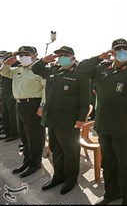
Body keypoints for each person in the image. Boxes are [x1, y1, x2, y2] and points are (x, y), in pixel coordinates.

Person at [76, 38, 127, 205]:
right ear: (112, 52)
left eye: (125, 49)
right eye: (119, 49)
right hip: (103, 125)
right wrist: (99, 57)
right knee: (108, 163)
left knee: (126, 165)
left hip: (124, 128)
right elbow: (80, 70)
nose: (123, 52)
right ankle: (111, 194)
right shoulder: (101, 68)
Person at [32, 46, 91, 195]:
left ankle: (71, 180)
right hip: (52, 119)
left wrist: (81, 119)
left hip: (69, 121)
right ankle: (58, 176)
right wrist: (44, 60)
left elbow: (85, 99)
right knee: (56, 149)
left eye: (64, 55)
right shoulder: (53, 70)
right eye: (59, 55)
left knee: (70, 152)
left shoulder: (80, 73)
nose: (60, 58)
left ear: (72, 57)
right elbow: (36, 69)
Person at [0, 46, 46, 177]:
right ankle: (27, 160)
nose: (23, 57)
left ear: (35, 55)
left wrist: (42, 106)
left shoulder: (39, 69)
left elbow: (46, 89)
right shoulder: (18, 69)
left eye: (26, 54)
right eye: (20, 55)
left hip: (34, 105)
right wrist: (8, 61)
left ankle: (35, 163)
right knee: (24, 136)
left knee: (34, 137)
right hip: (19, 104)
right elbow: (3, 72)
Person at [0, 52, 20, 142]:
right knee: (5, 113)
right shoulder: (5, 65)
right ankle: (8, 131)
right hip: (5, 91)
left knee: (12, 114)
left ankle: (14, 133)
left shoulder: (16, 65)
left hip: (11, 92)